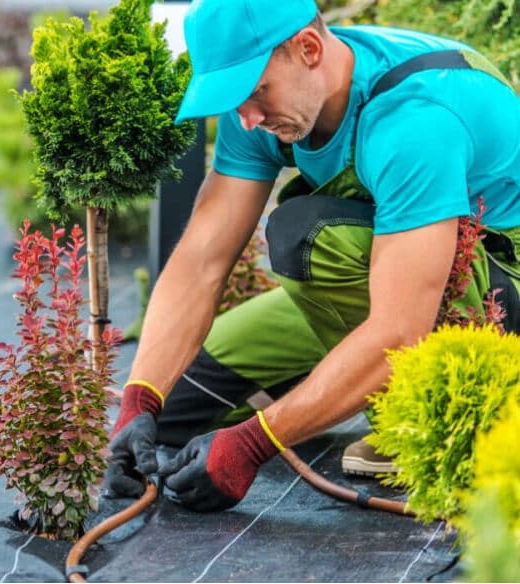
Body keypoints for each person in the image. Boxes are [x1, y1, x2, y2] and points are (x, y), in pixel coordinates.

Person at [104, 0, 520, 511]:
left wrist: (256, 441)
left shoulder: (413, 118)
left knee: (305, 236)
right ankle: (330, 376)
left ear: (308, 48)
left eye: (256, 92)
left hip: (491, 290)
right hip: (387, 275)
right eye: (235, 100)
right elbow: (200, 261)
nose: (248, 117)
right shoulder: (266, 102)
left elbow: (399, 328)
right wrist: (137, 400)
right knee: (172, 409)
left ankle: (409, 423)